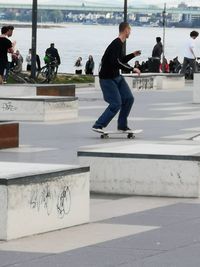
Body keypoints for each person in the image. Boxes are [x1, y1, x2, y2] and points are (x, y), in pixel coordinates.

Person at [92, 22, 141, 133]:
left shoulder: (120, 44)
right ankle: (98, 124)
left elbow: (120, 60)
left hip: (116, 77)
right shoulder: (116, 43)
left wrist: (133, 55)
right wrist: (132, 69)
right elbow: (115, 62)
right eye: (130, 30)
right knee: (116, 103)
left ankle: (122, 125)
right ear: (126, 30)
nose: (130, 32)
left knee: (128, 98)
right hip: (107, 79)